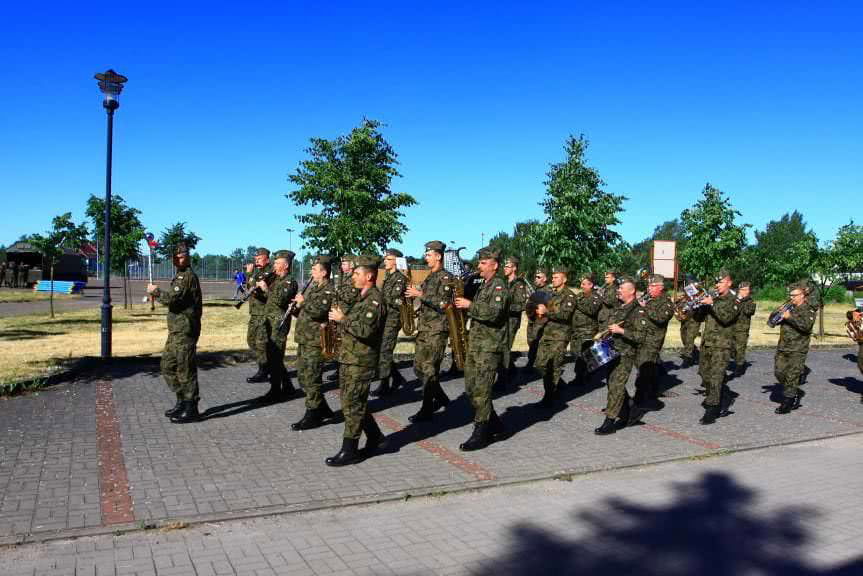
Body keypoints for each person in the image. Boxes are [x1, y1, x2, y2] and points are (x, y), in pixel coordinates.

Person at [324, 255, 387, 466]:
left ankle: (349, 449)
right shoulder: (362, 297)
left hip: (361, 361)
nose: (353, 277)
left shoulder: (375, 300)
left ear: (369, 276)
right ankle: (377, 438)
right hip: (350, 358)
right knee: (353, 402)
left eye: (357, 274)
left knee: (352, 405)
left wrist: (343, 319)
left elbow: (367, 331)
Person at [454, 247, 510, 451]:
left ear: (494, 265)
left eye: (483, 263)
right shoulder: (483, 285)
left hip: (489, 347)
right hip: (476, 345)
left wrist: (470, 306)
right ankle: (497, 425)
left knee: (482, 391)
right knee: (471, 389)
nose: (479, 266)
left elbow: (494, 314)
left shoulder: (499, 287)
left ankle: (481, 432)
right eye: (479, 263)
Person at [147, 243, 203, 424]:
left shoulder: (187, 277)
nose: (178, 259)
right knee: (167, 366)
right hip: (176, 331)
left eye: (181, 256)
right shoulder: (179, 275)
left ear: (187, 257)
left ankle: (191, 406)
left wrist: (155, 291)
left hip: (185, 330)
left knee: (186, 368)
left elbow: (172, 299)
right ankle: (181, 400)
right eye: (176, 257)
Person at [405, 241, 455, 422]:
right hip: (424, 329)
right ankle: (441, 398)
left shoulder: (446, 278)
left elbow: (444, 304)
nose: (426, 257)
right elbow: (427, 303)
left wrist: (420, 295)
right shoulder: (429, 277)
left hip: (437, 330)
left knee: (429, 369)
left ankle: (427, 408)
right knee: (418, 368)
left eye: (428, 254)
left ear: (438, 256)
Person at [291, 255, 340, 430]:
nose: (311, 272)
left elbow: (320, 312)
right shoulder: (313, 289)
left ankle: (313, 414)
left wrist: (303, 303)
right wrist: (295, 308)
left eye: (314, 269)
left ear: (324, 272)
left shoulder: (328, 290)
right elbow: (306, 313)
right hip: (305, 339)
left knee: (312, 378)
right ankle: (323, 408)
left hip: (315, 341)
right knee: (303, 377)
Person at [595, 276, 647, 435]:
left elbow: (640, 337)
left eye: (621, 289)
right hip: (611, 350)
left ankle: (610, 421)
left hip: (625, 353)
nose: (618, 291)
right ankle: (632, 411)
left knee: (616, 385)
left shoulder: (638, 311)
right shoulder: (621, 307)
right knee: (612, 383)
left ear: (631, 291)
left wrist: (621, 331)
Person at [695, 270, 741, 425]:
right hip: (707, 343)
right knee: (703, 374)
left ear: (729, 283)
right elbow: (698, 318)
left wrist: (712, 304)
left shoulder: (734, 300)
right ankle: (723, 396)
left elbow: (727, 318)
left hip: (722, 345)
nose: (717, 285)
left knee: (716, 377)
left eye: (721, 282)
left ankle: (712, 409)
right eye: (716, 282)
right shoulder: (712, 298)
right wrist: (698, 305)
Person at [533, 266, 576, 407]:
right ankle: (558, 385)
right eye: (553, 277)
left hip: (560, 335)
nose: (553, 279)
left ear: (564, 279)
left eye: (556, 277)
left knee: (555, 366)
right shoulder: (551, 294)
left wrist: (547, 311)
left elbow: (565, 315)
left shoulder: (569, 295)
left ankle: (549, 397)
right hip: (547, 333)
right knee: (539, 364)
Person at [260, 250, 299, 402]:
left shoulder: (289, 281)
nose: (274, 265)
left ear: (286, 265)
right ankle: (288, 386)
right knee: (273, 356)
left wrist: (266, 288)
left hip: (279, 323)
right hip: (270, 321)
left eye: (277, 263)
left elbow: (280, 300)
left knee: (275, 357)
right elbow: (268, 298)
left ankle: (275, 390)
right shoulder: (275, 280)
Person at [633, 274, 675, 410]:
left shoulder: (666, 302)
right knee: (648, 367)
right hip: (641, 338)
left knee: (644, 369)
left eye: (652, 286)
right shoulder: (649, 299)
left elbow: (660, 318)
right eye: (648, 286)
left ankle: (641, 400)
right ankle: (651, 393)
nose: (649, 288)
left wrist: (645, 307)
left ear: (660, 287)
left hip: (653, 340)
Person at [774, 284, 817, 414]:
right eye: (790, 295)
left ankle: (789, 401)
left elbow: (806, 327)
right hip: (783, 346)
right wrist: (777, 312)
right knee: (779, 373)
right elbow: (771, 323)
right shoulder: (788, 307)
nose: (791, 297)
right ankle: (795, 389)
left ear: (802, 295)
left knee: (792, 375)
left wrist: (789, 318)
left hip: (798, 348)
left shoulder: (808, 310)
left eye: (794, 295)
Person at [372, 249, 408, 397]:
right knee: (382, 349)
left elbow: (398, 300)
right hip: (385, 318)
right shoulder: (388, 277)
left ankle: (384, 383)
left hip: (393, 319)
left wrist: (379, 301)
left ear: (396, 261)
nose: (385, 261)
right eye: (385, 259)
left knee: (385, 350)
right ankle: (397, 377)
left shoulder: (400, 278)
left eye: (388, 259)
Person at [569, 273, 602, 387]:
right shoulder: (579, 296)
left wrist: (576, 302)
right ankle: (579, 376)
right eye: (581, 284)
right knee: (577, 355)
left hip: (587, 331)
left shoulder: (595, 297)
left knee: (585, 356)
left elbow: (591, 310)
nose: (581, 286)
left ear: (591, 285)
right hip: (576, 331)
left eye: (584, 284)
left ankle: (585, 378)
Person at [245, 249, 274, 383]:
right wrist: (249, 275)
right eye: (255, 259)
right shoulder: (257, 273)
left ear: (267, 259)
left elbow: (259, 293)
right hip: (255, 313)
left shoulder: (270, 273)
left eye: (259, 259)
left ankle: (263, 370)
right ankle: (267, 366)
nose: (256, 261)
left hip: (263, 313)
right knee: (251, 340)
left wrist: (251, 277)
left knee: (261, 343)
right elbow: (249, 288)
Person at [501, 256, 530, 381]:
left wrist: (504, 307)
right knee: (503, 348)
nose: (504, 268)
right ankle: (511, 371)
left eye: (507, 266)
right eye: (504, 266)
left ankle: (504, 378)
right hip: (503, 320)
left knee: (505, 349)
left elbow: (521, 305)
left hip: (512, 321)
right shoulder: (505, 283)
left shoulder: (519, 284)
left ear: (514, 268)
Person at [524, 269, 550, 371]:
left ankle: (531, 364)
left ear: (545, 278)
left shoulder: (548, 291)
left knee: (535, 342)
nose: (536, 279)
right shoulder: (536, 290)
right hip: (532, 320)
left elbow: (550, 308)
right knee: (530, 341)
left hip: (540, 321)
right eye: (536, 276)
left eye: (539, 277)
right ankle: (533, 362)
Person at [732, 282, 756, 376]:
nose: (745, 292)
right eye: (743, 290)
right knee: (731, 348)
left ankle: (740, 366)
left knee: (740, 348)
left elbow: (748, 311)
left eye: (747, 290)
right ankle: (739, 361)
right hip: (731, 326)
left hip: (742, 329)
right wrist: (736, 300)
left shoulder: (750, 301)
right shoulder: (734, 299)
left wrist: (740, 301)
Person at [846, 309, 863, 404]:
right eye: (856, 312)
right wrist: (857, 324)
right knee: (860, 365)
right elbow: (855, 337)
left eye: (858, 311)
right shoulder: (850, 325)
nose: (859, 313)